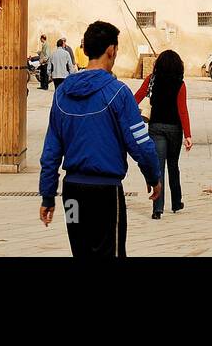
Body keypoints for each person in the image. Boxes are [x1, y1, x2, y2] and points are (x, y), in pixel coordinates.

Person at [39, 20, 162, 258]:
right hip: (105, 195)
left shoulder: (62, 93)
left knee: (80, 251)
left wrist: (47, 194)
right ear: (111, 50)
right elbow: (141, 143)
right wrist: (153, 176)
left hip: (71, 196)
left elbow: (51, 151)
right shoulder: (118, 92)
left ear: (85, 50)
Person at [134, 49, 193, 219]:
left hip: (156, 128)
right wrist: (188, 135)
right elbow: (182, 110)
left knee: (158, 167)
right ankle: (176, 202)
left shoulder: (151, 80)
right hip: (175, 129)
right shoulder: (180, 84)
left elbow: (135, 98)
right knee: (173, 165)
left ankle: (157, 209)